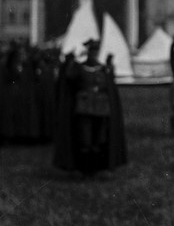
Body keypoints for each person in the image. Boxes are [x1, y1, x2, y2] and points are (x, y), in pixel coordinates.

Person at [53, 38, 127, 175]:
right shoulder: (80, 68)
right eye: (91, 50)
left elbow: (108, 87)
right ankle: (85, 169)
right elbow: (69, 79)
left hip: (101, 109)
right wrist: (69, 62)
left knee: (98, 139)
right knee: (85, 139)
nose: (93, 53)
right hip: (84, 108)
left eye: (95, 51)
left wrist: (110, 69)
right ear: (88, 52)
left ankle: (95, 168)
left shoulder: (103, 69)